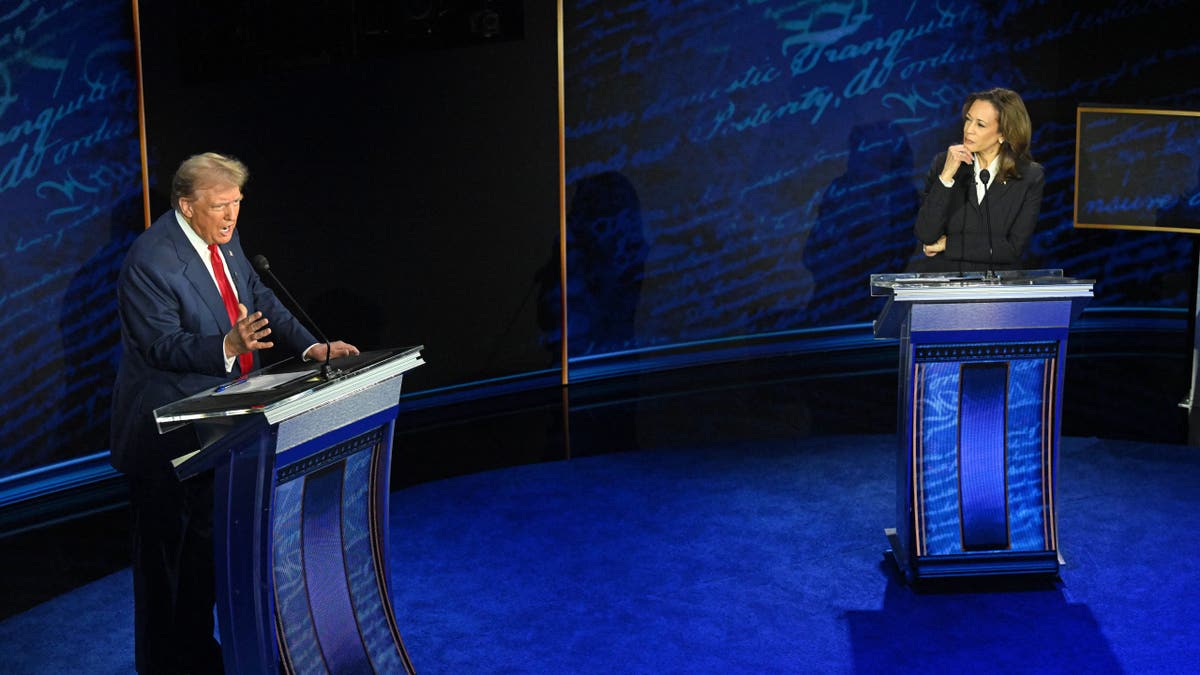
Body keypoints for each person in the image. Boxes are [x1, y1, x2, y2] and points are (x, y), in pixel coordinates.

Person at [110, 152, 358, 673]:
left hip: (231, 423)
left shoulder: (226, 239)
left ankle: (205, 657)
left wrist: (311, 348)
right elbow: (160, 346)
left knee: (209, 558)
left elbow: (258, 292)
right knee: (168, 575)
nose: (231, 217)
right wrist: (225, 343)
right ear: (186, 205)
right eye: (220, 206)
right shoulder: (150, 261)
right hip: (169, 436)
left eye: (237, 204)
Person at [909, 87, 1044, 274]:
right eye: (968, 120)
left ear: (1003, 133)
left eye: (980, 124)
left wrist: (949, 244)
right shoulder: (944, 163)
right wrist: (946, 177)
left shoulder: (1029, 176)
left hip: (997, 291)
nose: (968, 130)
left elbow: (1012, 248)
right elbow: (926, 235)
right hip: (945, 286)